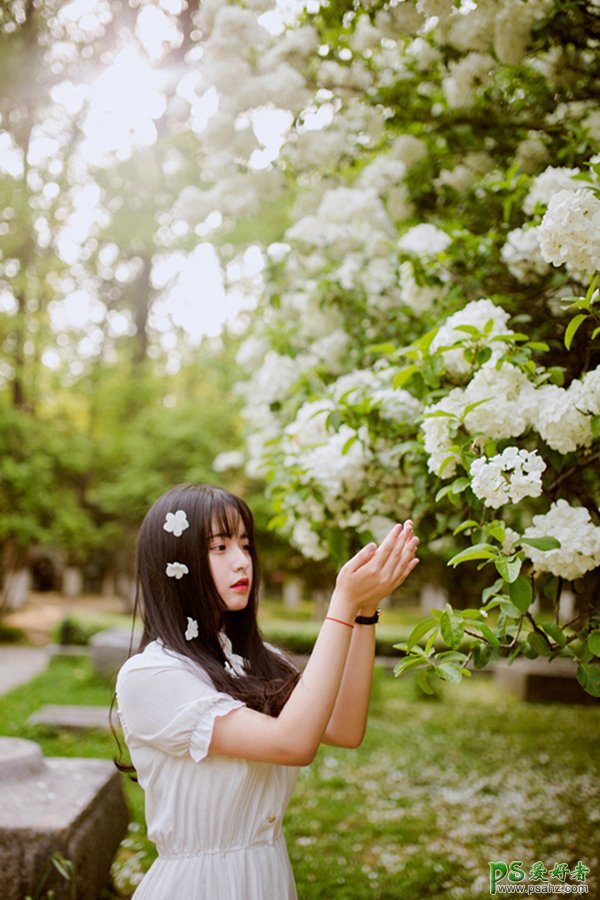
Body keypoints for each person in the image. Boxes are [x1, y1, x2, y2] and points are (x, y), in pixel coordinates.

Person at [115, 482, 419, 899]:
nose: (242, 562)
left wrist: (365, 611)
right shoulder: (151, 675)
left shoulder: (251, 659)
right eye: (219, 547)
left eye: (245, 544)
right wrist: (341, 605)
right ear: (175, 562)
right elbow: (293, 743)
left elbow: (345, 729)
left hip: (268, 877)